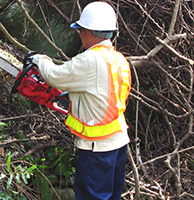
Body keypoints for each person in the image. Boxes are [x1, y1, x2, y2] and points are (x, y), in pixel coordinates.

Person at [31, 1, 132, 199]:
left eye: (81, 31)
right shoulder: (118, 59)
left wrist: (39, 60)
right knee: (112, 196)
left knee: (91, 196)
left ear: (89, 32)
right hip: (118, 142)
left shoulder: (90, 60)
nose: (79, 35)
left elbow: (54, 76)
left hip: (98, 147)